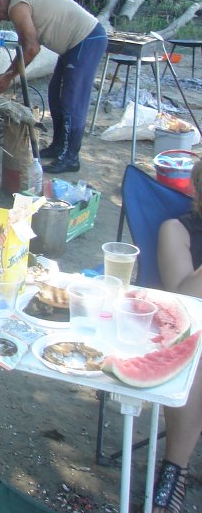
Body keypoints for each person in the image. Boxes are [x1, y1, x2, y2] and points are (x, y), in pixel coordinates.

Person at [0, 0, 107, 174]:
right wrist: (7, 74)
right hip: (74, 46)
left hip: (87, 39)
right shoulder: (21, 1)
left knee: (71, 101)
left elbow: (31, 48)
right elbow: (26, 45)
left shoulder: (17, 6)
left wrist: (8, 77)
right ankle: (59, 146)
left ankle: (70, 158)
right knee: (55, 94)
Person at [154, 159, 202, 513]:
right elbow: (183, 301)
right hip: (194, 333)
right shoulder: (177, 230)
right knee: (196, 351)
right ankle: (175, 472)